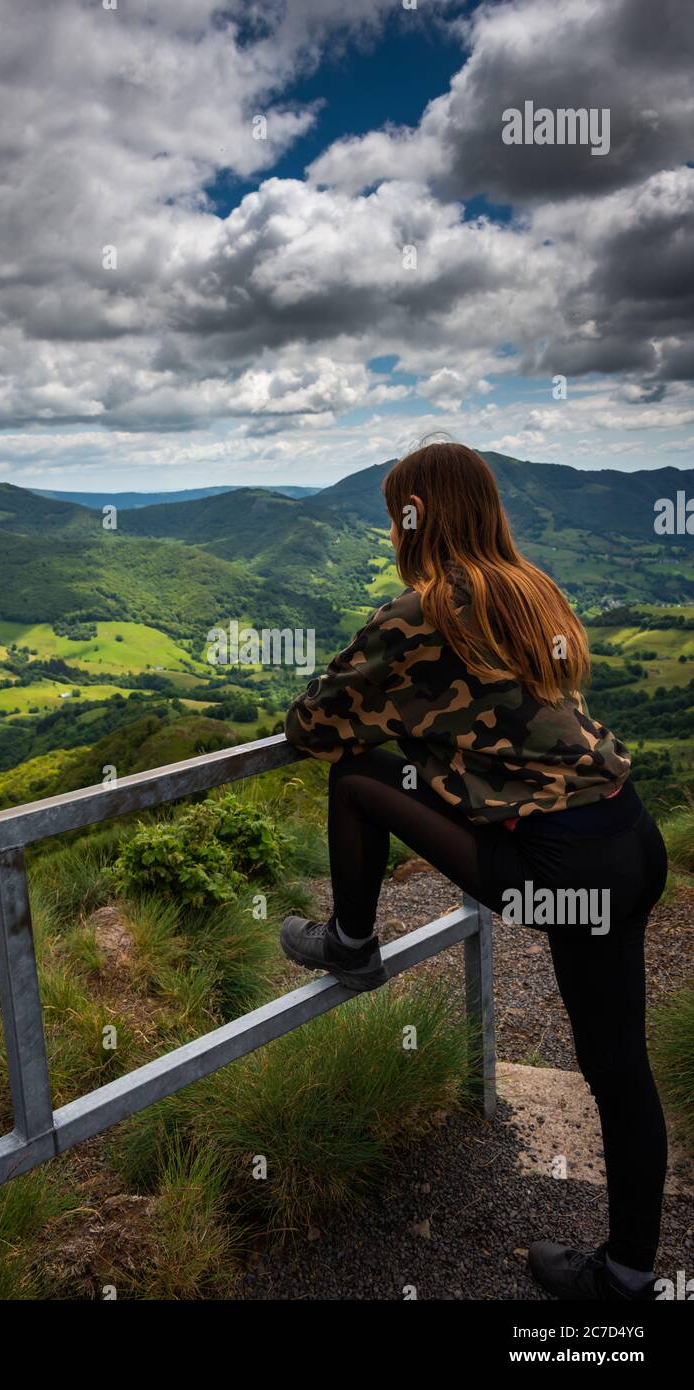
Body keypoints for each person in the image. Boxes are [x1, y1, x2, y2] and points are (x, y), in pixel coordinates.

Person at [280, 441, 669, 1302]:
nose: (392, 529)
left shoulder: (419, 613)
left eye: (396, 513)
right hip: (630, 836)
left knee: (355, 780)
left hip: (565, 864)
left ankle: (350, 940)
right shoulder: (531, 588)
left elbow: (309, 725)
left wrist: (391, 726)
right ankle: (632, 1270)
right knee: (620, 1065)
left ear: (416, 516)